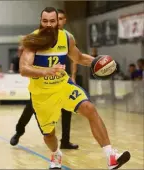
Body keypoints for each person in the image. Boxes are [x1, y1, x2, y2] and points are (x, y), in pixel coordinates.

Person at [19, 7, 130, 169]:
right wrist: (46, 71)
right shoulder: (33, 40)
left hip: (63, 86)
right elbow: (24, 69)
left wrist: (97, 62)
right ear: (40, 21)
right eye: (45, 21)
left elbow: (78, 57)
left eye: (52, 21)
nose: (48, 25)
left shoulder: (66, 38)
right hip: (42, 95)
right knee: (49, 135)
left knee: (89, 108)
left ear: (58, 22)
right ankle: (56, 153)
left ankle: (111, 156)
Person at [10, 9, 79, 150]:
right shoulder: (39, 36)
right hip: (41, 85)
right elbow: (25, 57)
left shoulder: (68, 37)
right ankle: (19, 131)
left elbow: (75, 58)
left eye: (59, 19)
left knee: (67, 110)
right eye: (52, 19)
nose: (55, 22)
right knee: (30, 109)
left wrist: (73, 76)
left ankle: (65, 140)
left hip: (60, 80)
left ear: (63, 21)